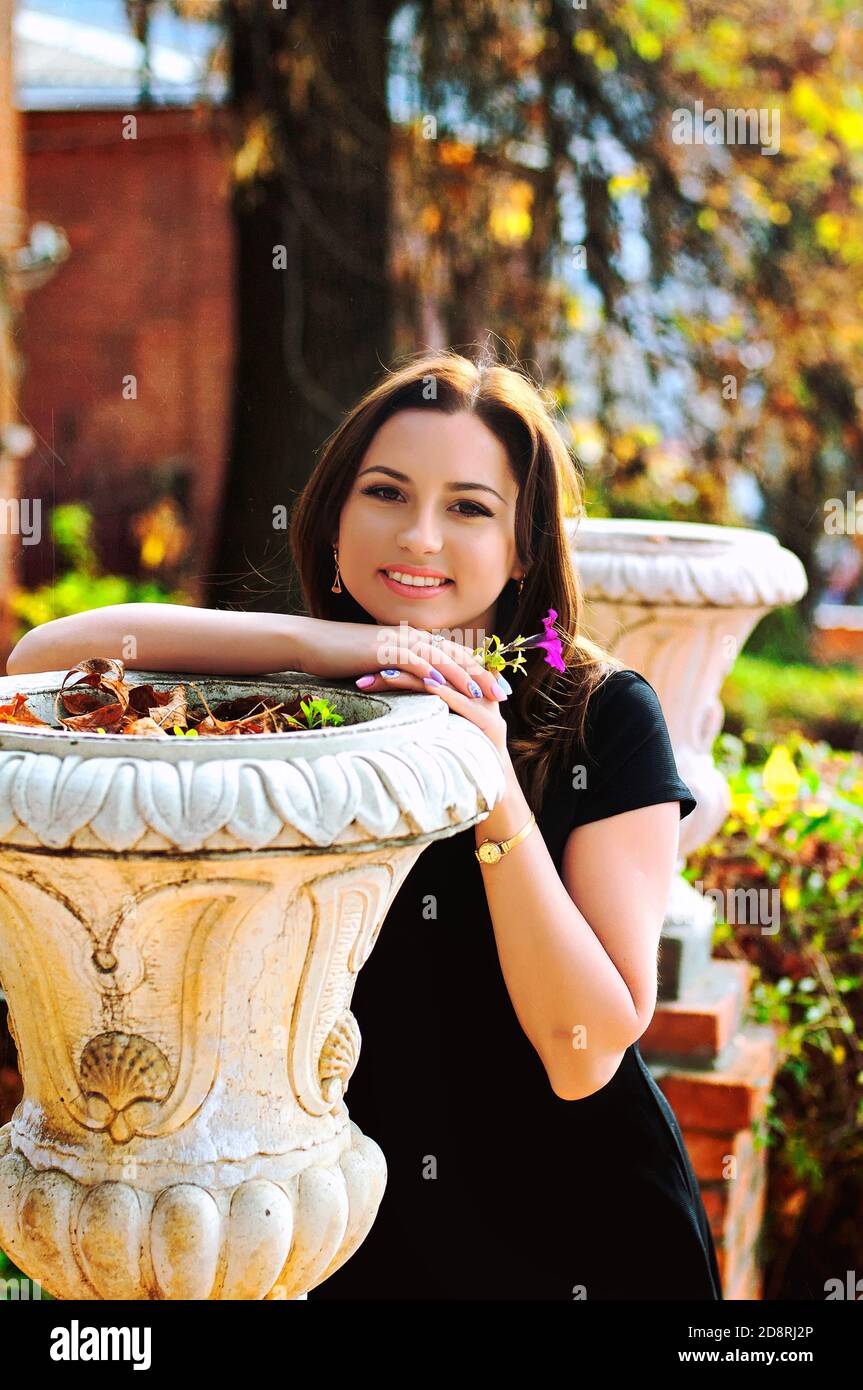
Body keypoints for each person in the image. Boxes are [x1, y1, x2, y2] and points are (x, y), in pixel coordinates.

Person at [6, 347, 723, 1301]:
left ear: (522, 546)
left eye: (469, 507)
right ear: (334, 514)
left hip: (576, 1232)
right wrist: (323, 646)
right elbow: (43, 656)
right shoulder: (308, 700)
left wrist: (490, 784)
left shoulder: (598, 715)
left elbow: (583, 1049)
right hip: (340, 1223)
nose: (419, 536)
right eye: (385, 493)